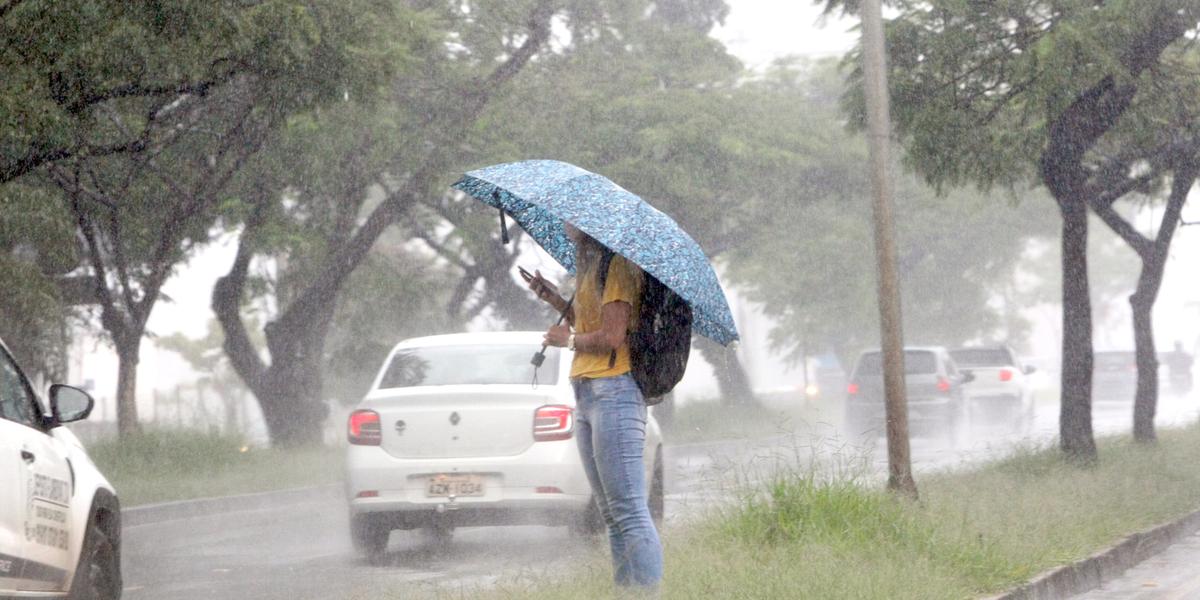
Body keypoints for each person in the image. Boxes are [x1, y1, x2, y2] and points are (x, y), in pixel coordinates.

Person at [526, 223, 663, 590]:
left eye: (572, 219)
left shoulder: (617, 265)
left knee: (630, 510)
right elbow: (589, 324)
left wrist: (567, 341)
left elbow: (613, 336)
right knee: (612, 514)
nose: (566, 225)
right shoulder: (590, 264)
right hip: (586, 391)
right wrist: (554, 300)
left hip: (615, 388)